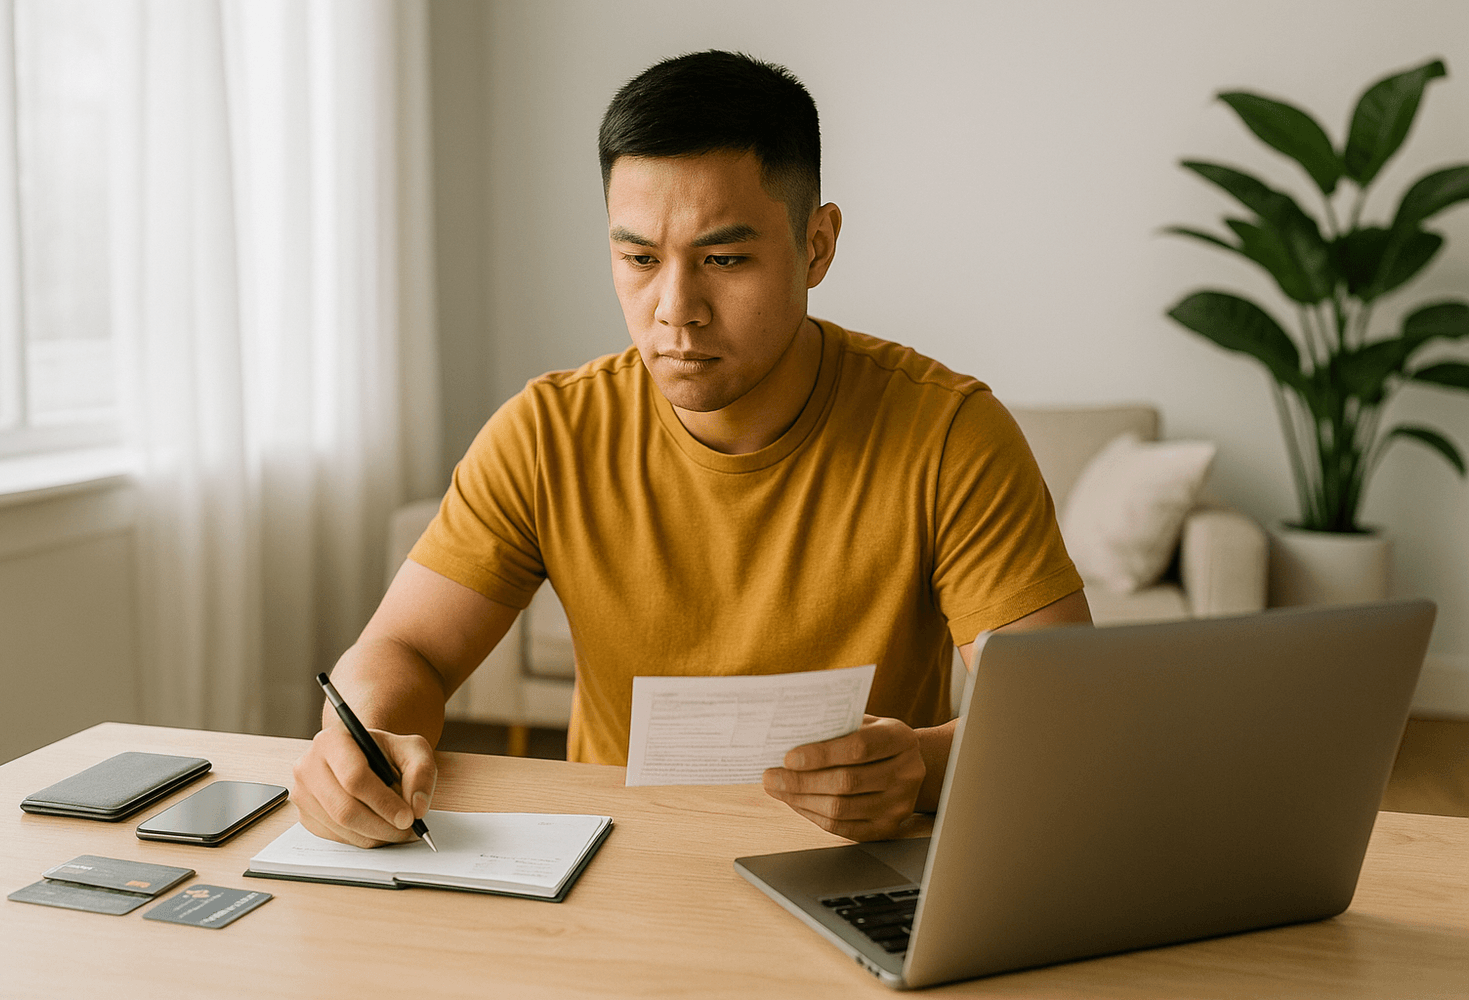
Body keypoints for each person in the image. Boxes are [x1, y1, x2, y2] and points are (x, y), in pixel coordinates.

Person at [292, 50, 1091, 849]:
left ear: (816, 246)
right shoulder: (547, 434)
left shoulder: (950, 435)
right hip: (618, 861)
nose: (675, 310)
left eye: (723, 260)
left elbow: (1063, 715)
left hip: (858, 866)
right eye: (639, 259)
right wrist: (356, 743)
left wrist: (925, 767)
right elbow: (407, 650)